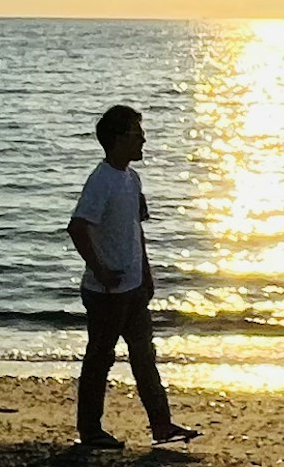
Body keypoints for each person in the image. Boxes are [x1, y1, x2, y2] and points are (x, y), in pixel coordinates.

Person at [69, 104, 199, 449]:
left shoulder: (131, 178)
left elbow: (134, 229)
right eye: (136, 134)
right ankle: (90, 430)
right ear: (118, 139)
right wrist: (101, 271)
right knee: (100, 357)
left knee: (144, 356)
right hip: (106, 292)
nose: (143, 140)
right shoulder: (101, 181)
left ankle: (161, 425)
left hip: (133, 287)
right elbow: (78, 227)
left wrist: (146, 272)